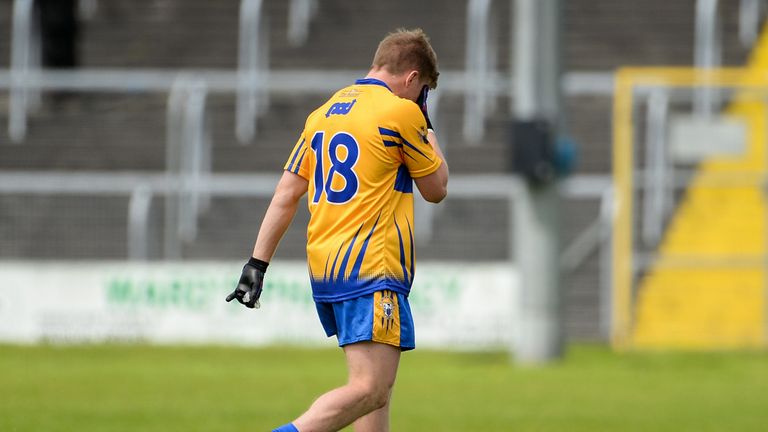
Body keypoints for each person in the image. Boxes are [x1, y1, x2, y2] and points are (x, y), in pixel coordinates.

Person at [226, 28, 448, 432]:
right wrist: (427, 130)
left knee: (375, 392)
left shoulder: (324, 113)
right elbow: (436, 189)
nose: (422, 99)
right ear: (412, 78)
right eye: (424, 90)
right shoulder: (402, 113)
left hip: (328, 267)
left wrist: (256, 263)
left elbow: (287, 193)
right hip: (372, 265)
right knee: (370, 389)